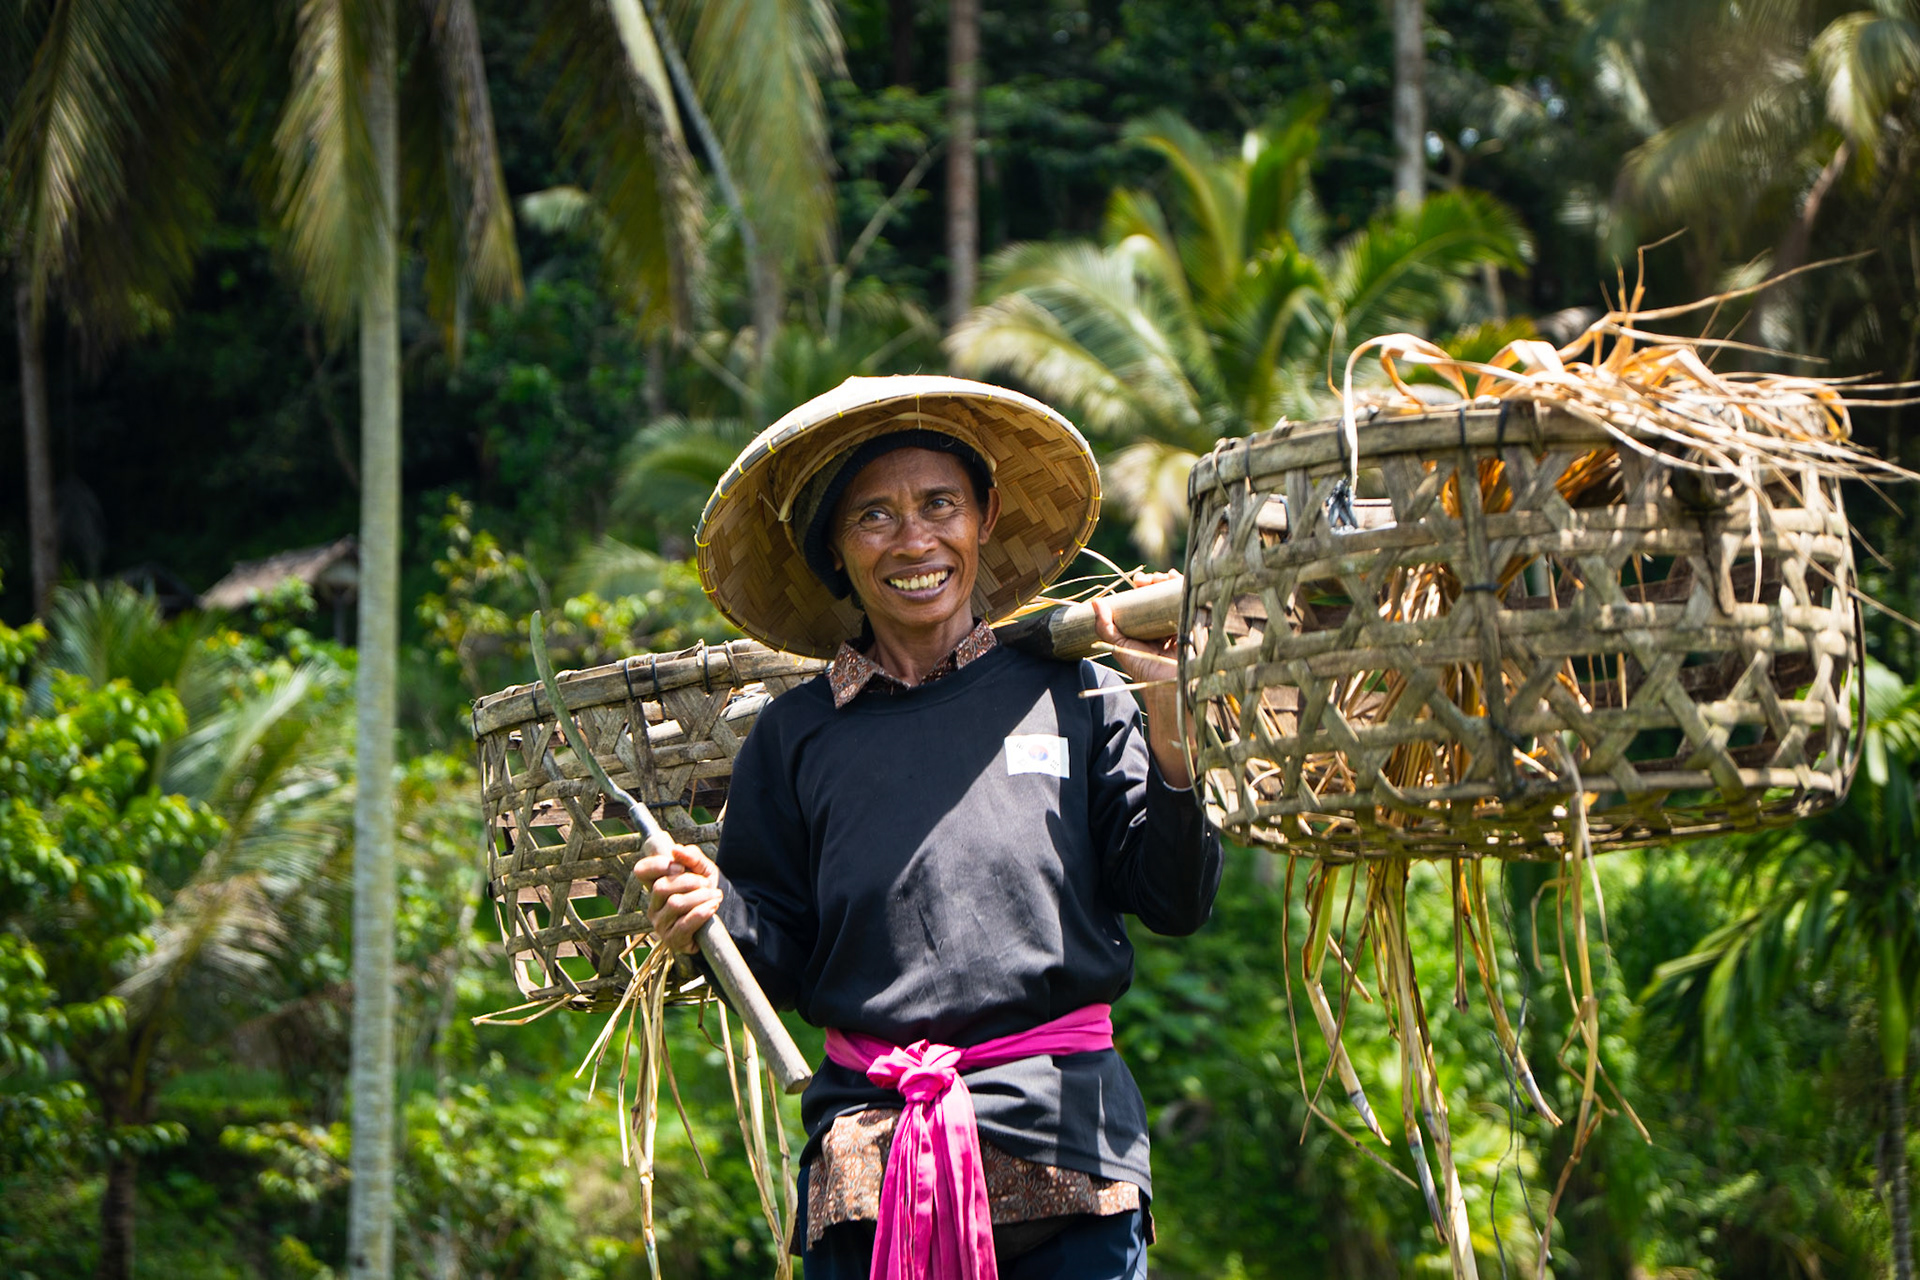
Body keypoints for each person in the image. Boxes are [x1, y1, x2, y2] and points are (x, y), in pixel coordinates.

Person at [636, 376, 1221, 1280]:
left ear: (984, 518)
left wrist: (1172, 721)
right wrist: (711, 911)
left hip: (1069, 1143)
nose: (914, 541)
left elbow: (1176, 902)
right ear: (836, 552)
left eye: (939, 504)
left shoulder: (1078, 692)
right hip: (871, 1165)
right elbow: (779, 955)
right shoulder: (796, 736)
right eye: (872, 517)